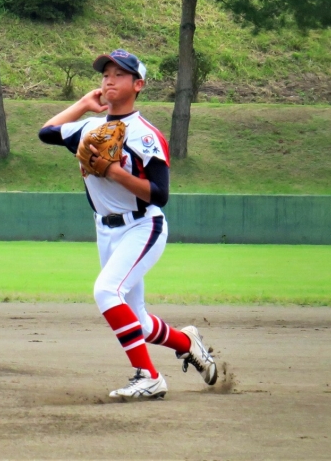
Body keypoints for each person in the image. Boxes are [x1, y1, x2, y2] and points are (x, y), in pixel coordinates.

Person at [38, 49, 217, 399]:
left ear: (138, 85)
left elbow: (160, 194)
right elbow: (46, 133)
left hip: (142, 226)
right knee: (139, 320)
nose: (109, 80)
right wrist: (83, 104)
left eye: (119, 74)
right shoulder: (89, 127)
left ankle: (148, 376)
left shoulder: (145, 135)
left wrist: (115, 173)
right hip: (105, 230)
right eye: (105, 74)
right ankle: (188, 343)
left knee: (106, 292)